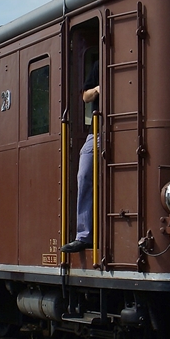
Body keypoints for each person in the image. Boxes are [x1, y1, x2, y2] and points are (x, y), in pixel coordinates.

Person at [62, 60, 99, 254]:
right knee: (84, 175)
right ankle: (83, 236)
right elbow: (86, 96)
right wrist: (99, 89)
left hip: (128, 130)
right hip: (99, 131)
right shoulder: (100, 64)